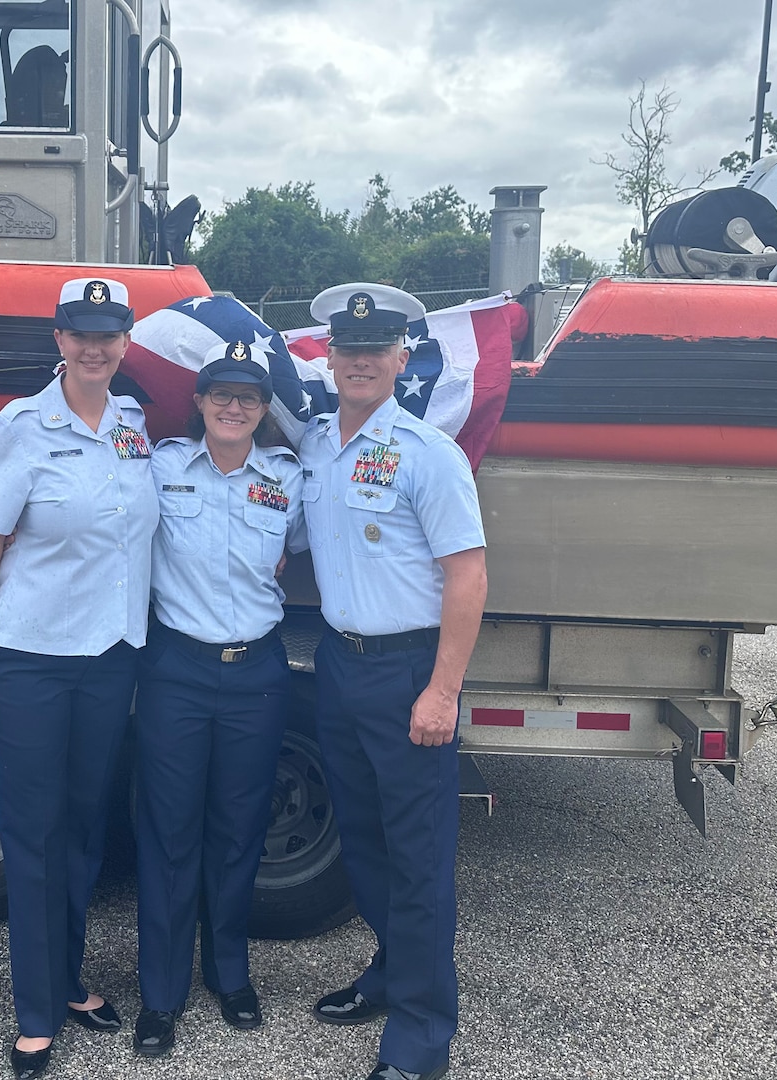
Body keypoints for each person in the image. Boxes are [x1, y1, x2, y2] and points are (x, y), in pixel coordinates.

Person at [0, 277, 159, 1080]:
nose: (95, 347)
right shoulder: (20, 428)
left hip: (110, 659)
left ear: (125, 341)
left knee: (82, 831)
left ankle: (68, 981)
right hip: (31, 663)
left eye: (109, 334)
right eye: (80, 334)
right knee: (36, 839)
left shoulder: (134, 425)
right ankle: (36, 1014)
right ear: (58, 339)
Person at [298, 283, 488, 1080]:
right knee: (366, 849)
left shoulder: (427, 454)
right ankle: (388, 973)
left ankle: (420, 1034)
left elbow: (468, 575)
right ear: (330, 357)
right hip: (338, 667)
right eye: (349, 350)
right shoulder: (312, 445)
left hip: (410, 672)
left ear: (402, 359)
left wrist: (442, 690)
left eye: (377, 350)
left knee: (417, 862)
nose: (362, 362)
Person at [131, 341, 303, 1057]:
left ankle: (230, 974)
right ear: (198, 403)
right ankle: (162, 994)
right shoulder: (162, 467)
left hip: (257, 672)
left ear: (264, 411)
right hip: (177, 668)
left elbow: (292, 553)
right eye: (221, 395)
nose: (235, 407)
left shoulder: (288, 479)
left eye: (250, 398)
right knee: (169, 835)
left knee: (239, 830)